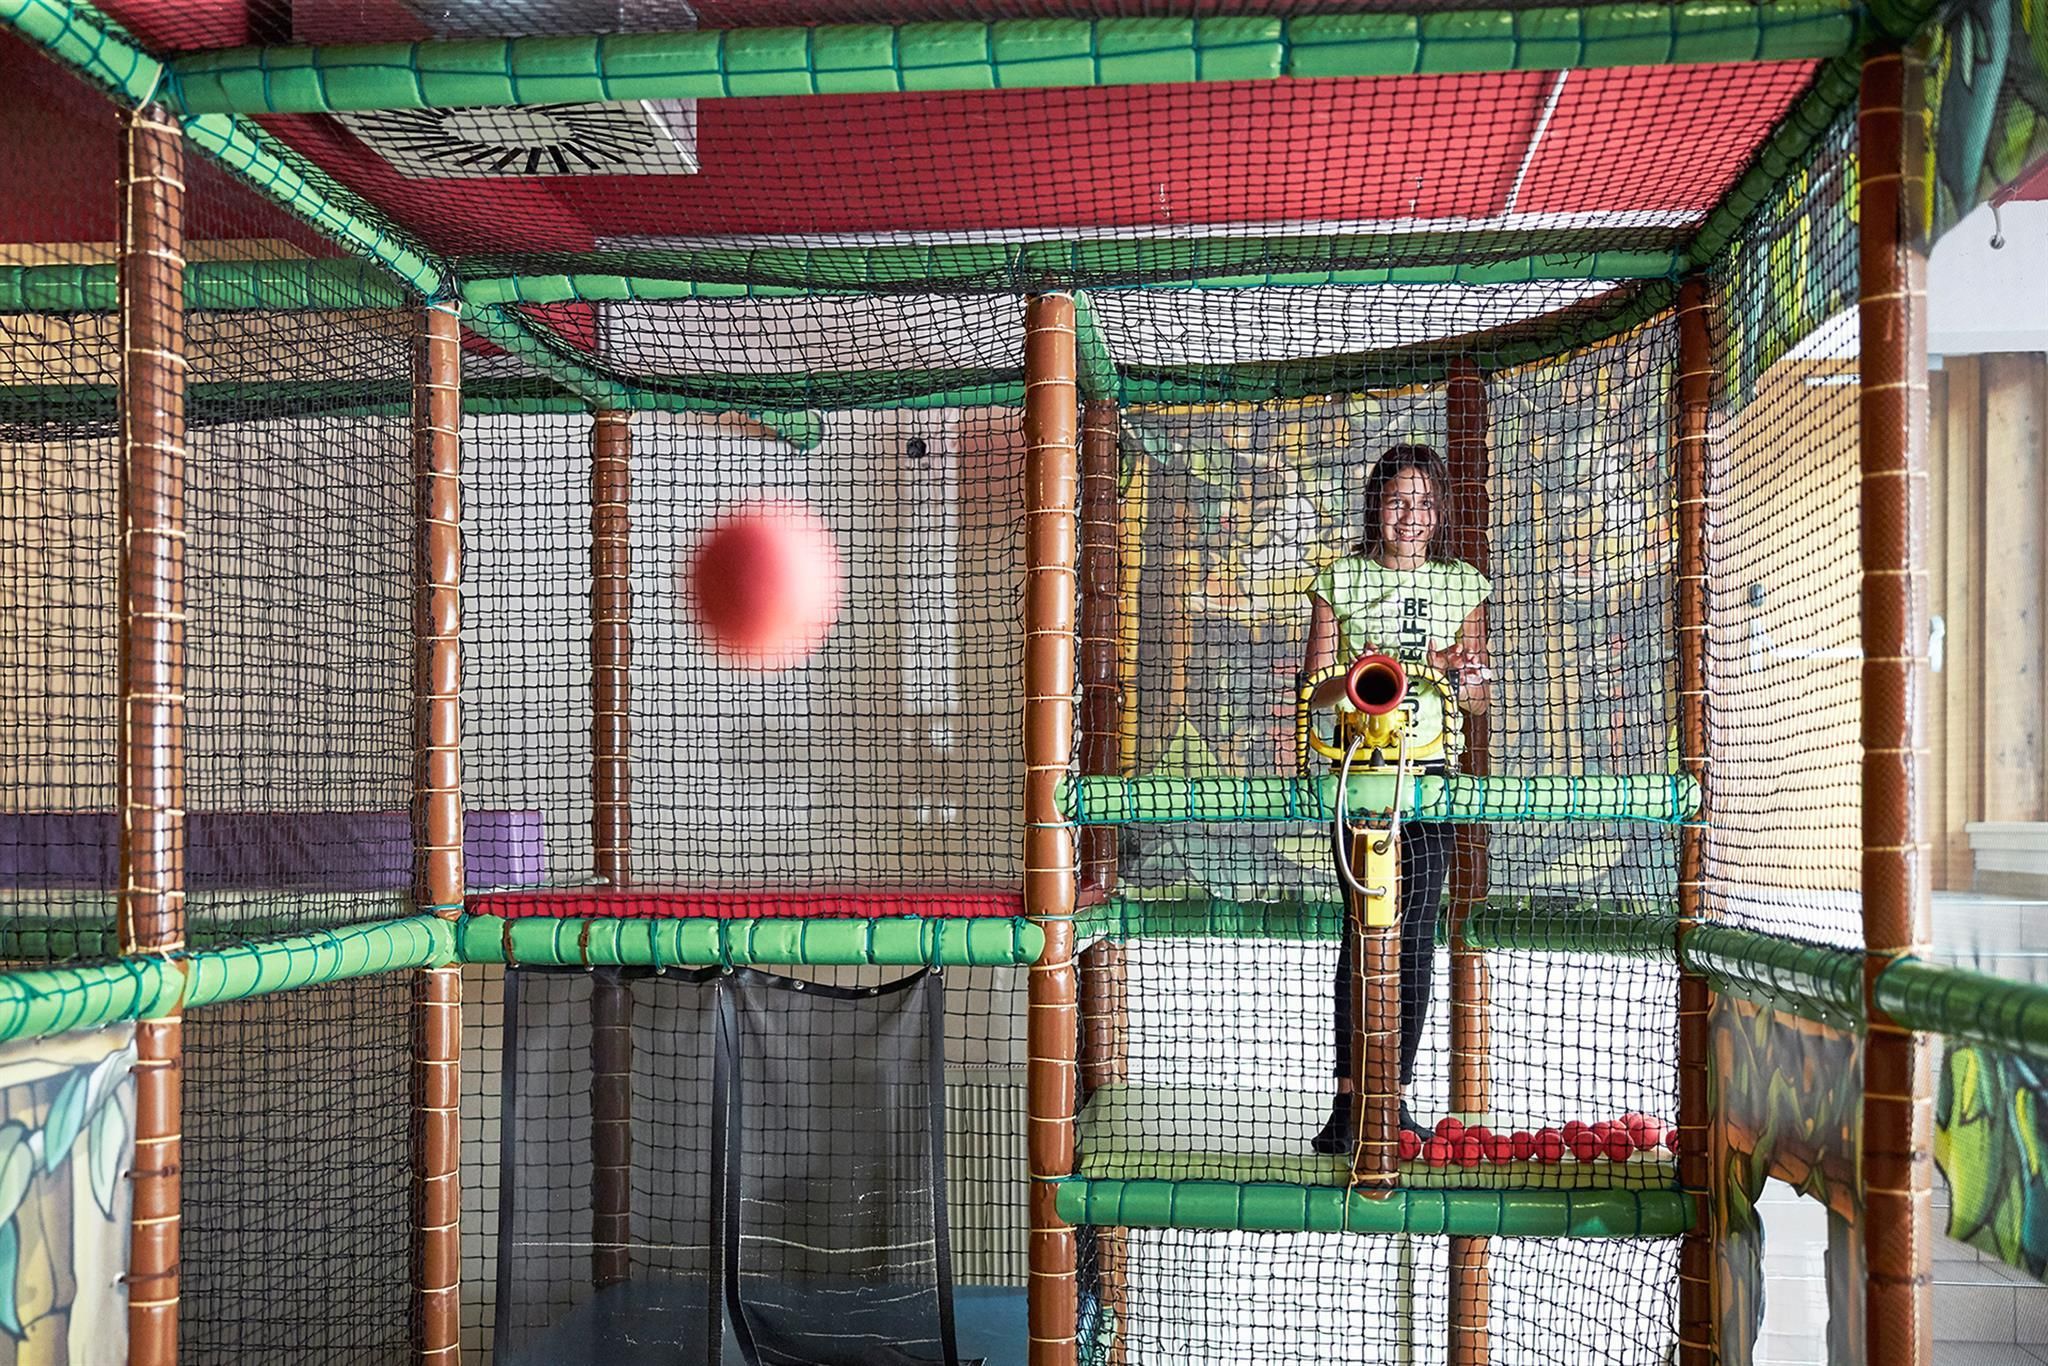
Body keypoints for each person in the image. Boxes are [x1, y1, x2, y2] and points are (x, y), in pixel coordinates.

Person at [1300, 443, 1491, 1152]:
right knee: (1363, 932)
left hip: (1430, 781)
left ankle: (1393, 1095)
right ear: (1377, 505)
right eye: (1398, 499)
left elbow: (1477, 702)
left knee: (1412, 934)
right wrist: (1385, 669)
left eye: (1424, 501)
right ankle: (1349, 1103)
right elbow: (1313, 687)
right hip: (1357, 778)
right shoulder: (1340, 580)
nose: (1411, 515)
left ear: (1440, 513)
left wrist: (1466, 677)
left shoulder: (1462, 584)